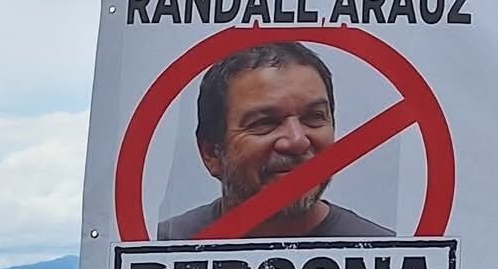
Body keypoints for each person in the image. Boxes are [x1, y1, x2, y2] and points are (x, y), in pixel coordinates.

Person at [155, 41, 395, 240]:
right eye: (265, 122)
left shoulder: (389, 260)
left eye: (314, 117)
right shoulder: (155, 256)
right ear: (211, 153)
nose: (297, 141)